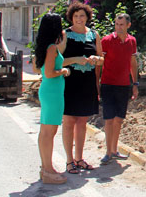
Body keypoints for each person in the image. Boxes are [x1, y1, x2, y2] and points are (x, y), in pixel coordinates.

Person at [34, 13, 88, 184]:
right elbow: (50, 73)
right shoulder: (51, 48)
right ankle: (48, 170)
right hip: (53, 92)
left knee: (46, 132)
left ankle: (46, 167)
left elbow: (39, 69)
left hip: (49, 92)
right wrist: (63, 71)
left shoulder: (45, 46)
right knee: (49, 132)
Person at [59, 1, 102, 174]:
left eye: (82, 15)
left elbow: (102, 58)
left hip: (87, 82)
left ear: (87, 17)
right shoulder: (65, 34)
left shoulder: (94, 34)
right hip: (70, 82)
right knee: (69, 121)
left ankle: (79, 158)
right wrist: (76, 59)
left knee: (82, 121)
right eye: (76, 16)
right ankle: (69, 161)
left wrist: (96, 60)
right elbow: (57, 60)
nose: (79, 19)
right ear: (71, 17)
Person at [97, 13, 138, 164]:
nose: (119, 27)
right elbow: (99, 65)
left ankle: (114, 150)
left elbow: (133, 63)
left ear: (128, 25)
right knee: (109, 119)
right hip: (108, 84)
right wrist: (97, 84)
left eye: (122, 24)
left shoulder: (132, 41)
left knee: (119, 120)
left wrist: (135, 84)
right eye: (117, 24)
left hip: (124, 85)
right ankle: (108, 152)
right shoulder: (106, 41)